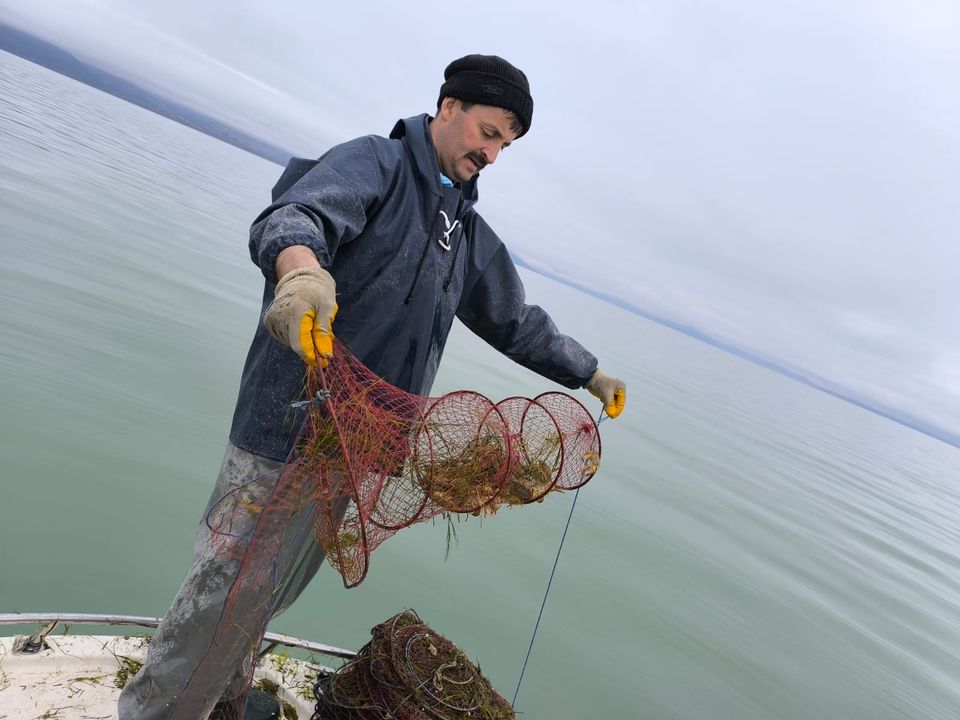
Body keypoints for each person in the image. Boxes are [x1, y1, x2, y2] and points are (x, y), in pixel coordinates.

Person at [118, 54, 626, 720]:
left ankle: (223, 703)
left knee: (270, 592)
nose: (495, 154)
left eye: (507, 144)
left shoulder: (463, 231)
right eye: (490, 131)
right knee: (224, 591)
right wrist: (301, 277)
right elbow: (294, 218)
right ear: (448, 109)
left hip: (351, 452)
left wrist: (587, 371)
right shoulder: (374, 167)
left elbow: (515, 320)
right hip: (285, 432)